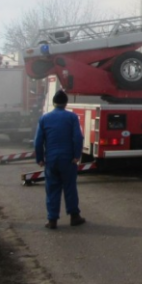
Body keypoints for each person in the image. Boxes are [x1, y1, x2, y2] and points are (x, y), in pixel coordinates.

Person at [34, 90, 86, 229]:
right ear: (66, 103)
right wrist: (76, 155)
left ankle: (52, 220)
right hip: (68, 159)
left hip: (51, 159)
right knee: (70, 187)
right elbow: (78, 137)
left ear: (53, 103)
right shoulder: (72, 117)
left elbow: (38, 141)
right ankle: (74, 216)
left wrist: (40, 158)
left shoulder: (44, 118)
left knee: (52, 188)